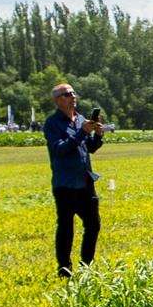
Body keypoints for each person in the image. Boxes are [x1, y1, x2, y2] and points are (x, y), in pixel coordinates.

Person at [44, 82, 106, 277]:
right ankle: (64, 269)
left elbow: (90, 148)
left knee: (94, 224)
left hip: (85, 181)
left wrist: (97, 135)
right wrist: (81, 133)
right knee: (66, 227)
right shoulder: (52, 123)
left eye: (73, 93)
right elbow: (59, 149)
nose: (73, 96)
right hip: (65, 183)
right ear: (57, 101)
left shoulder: (80, 120)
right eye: (67, 94)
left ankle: (86, 265)